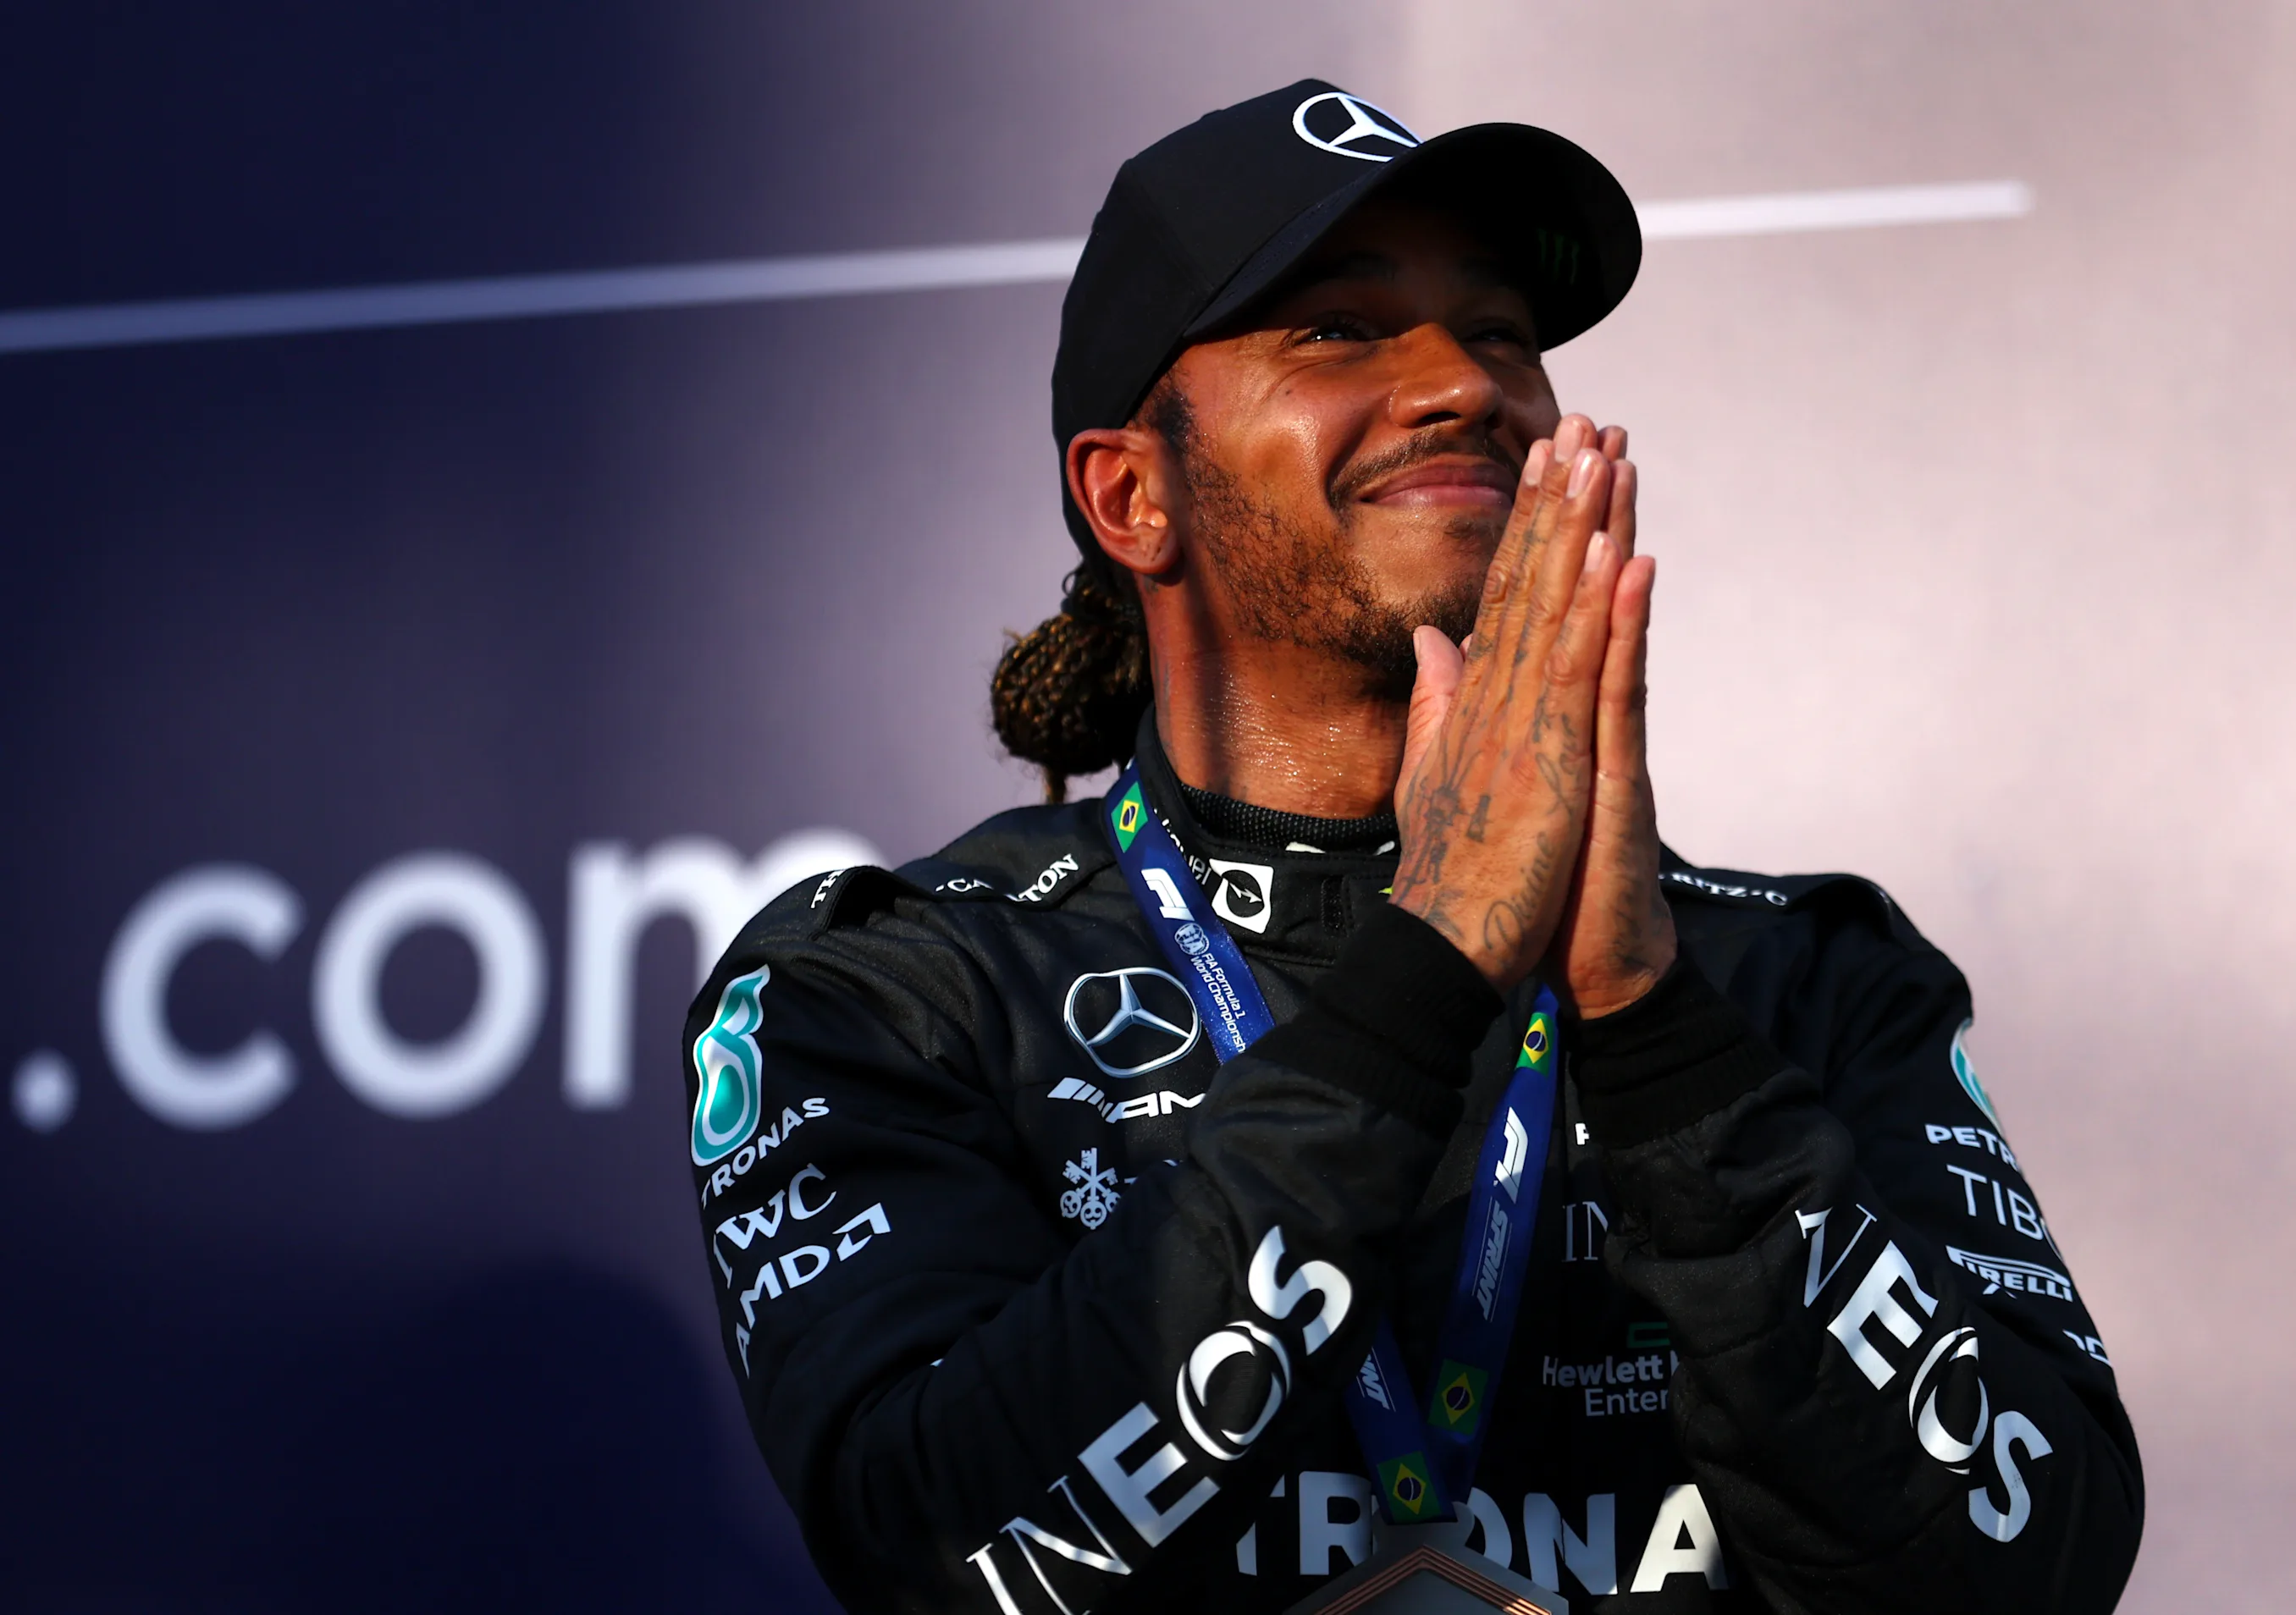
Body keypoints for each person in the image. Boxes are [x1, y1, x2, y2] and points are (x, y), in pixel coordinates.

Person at [685, 80, 2142, 1614]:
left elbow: (2027, 1569)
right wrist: (1433, 957)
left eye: (1502, 335)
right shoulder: (894, 992)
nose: (1468, 387)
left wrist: (1655, 1036)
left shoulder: (1804, 977)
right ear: (1132, 495)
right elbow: (950, 1557)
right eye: (1340, 328)